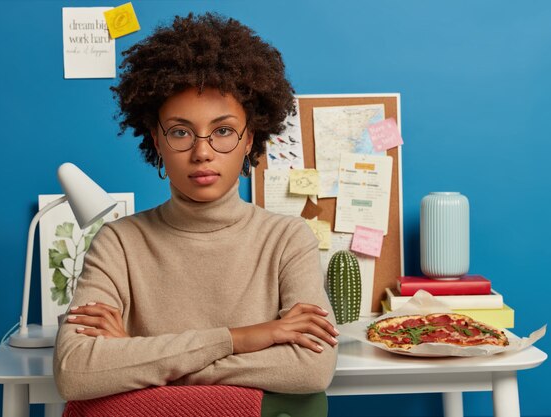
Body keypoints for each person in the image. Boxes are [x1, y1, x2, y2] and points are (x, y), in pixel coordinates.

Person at [53, 12, 339, 401]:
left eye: (222, 130)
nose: (202, 152)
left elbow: (312, 367)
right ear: (157, 141)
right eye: (180, 132)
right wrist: (242, 339)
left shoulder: (287, 239)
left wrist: (134, 359)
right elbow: (75, 372)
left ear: (248, 138)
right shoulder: (118, 243)